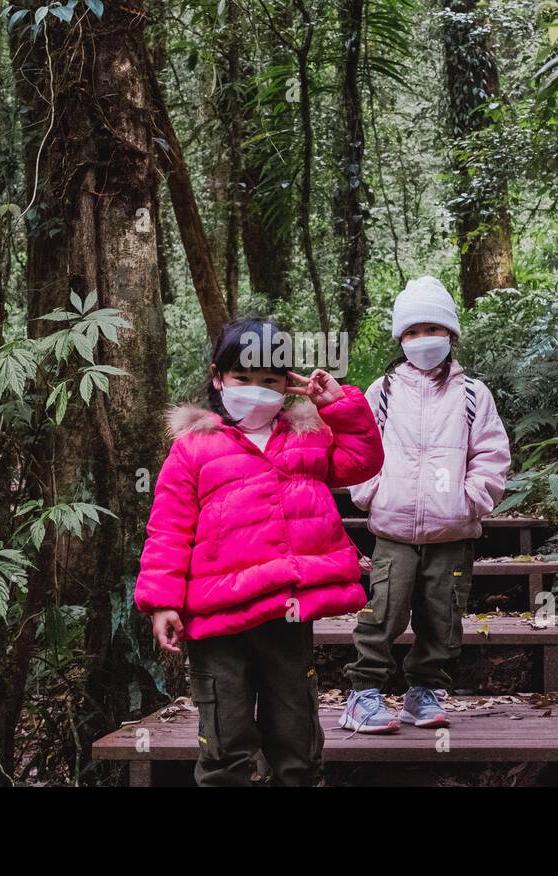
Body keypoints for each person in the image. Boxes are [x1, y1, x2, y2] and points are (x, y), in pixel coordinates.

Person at [134, 316, 384, 784]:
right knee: (225, 740)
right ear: (217, 378)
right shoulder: (193, 448)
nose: (255, 390)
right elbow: (168, 528)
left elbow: (362, 461)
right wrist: (162, 601)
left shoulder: (305, 436)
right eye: (242, 379)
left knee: (296, 736)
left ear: (288, 385)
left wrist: (338, 407)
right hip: (215, 621)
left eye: (268, 381)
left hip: (285, 613)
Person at [340, 277, 512, 732]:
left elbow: (492, 456)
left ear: (451, 335)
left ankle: (425, 690)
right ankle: (364, 693)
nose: (423, 340)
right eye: (413, 332)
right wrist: (370, 491)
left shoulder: (473, 393)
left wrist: (469, 501)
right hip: (392, 529)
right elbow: (360, 445)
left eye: (432, 329)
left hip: (451, 534)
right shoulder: (382, 391)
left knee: (443, 615)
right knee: (384, 610)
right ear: (400, 338)